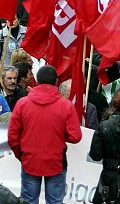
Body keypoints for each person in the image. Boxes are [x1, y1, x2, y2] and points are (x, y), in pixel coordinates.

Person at [8, 65, 82, 204]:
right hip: (56, 161)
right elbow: (75, 136)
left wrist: (22, 155)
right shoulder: (65, 106)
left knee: (28, 201)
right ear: (56, 81)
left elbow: (13, 137)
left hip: (30, 160)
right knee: (54, 201)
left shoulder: (23, 104)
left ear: (37, 81)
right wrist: (59, 133)